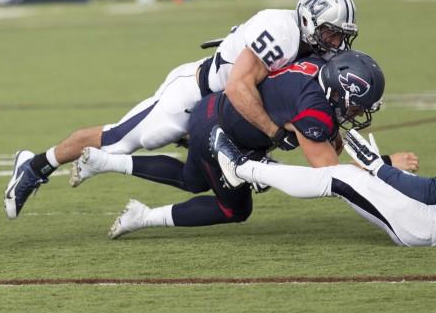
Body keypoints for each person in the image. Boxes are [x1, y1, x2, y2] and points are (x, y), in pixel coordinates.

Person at [3, 0, 361, 219]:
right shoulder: (281, 31)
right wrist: (271, 131)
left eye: (342, 36)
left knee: (195, 180)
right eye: (331, 32)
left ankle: (113, 177)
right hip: (193, 96)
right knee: (119, 139)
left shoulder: (311, 46)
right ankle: (35, 166)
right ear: (308, 19)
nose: (335, 43)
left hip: (223, 111)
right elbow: (238, 88)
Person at [100, 50, 413, 238]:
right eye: (358, 106)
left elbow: (330, 143)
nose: (360, 113)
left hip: (213, 111)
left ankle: (109, 165)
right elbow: (330, 177)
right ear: (339, 92)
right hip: (220, 130)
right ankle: (142, 215)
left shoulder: (317, 70)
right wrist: (383, 165)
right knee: (233, 209)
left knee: (191, 180)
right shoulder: (315, 110)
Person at [211, 80, 436, 246]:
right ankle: (250, 168)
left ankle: (242, 167)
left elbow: (435, 192)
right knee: (345, 176)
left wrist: (379, 167)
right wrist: (382, 170)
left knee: (340, 176)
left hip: (435, 227)